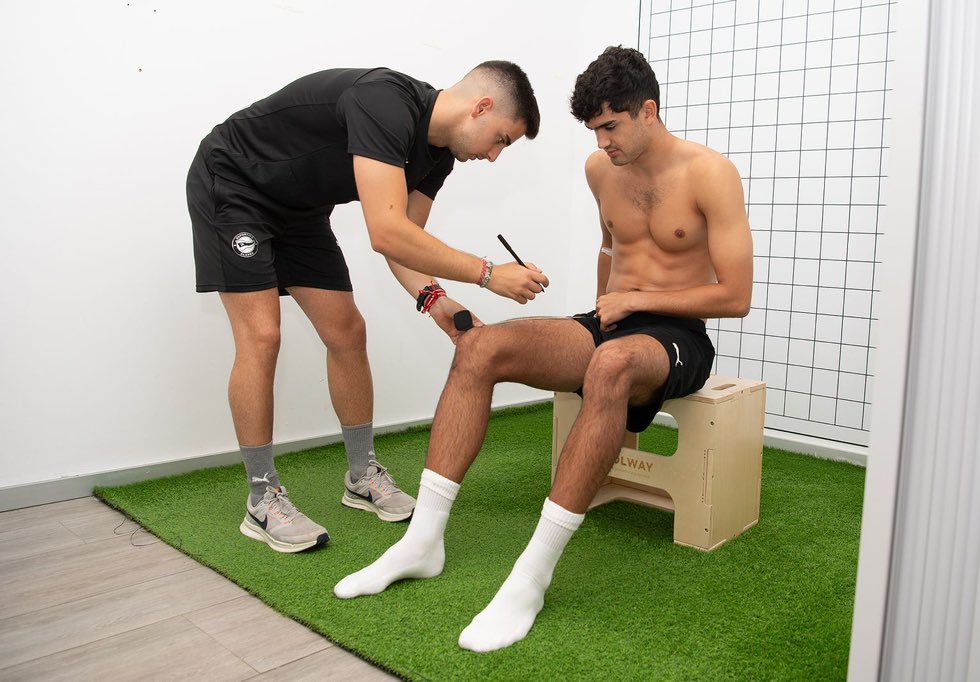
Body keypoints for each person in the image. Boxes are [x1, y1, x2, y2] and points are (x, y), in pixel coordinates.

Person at [332, 45, 754, 651]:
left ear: (648, 111)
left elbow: (735, 294)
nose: (601, 143)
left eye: (610, 126)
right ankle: (421, 542)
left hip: (680, 336)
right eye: (593, 130)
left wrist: (633, 307)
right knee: (480, 347)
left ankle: (530, 578)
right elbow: (611, 251)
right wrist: (607, 307)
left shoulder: (710, 173)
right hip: (615, 323)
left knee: (610, 364)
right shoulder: (599, 169)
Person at [185, 62, 549, 554]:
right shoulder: (385, 102)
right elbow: (385, 229)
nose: (494, 155)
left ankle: (361, 476)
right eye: (501, 139)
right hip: (234, 182)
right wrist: (488, 273)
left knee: (347, 331)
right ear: (480, 108)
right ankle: (261, 496)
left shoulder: (436, 158)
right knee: (263, 335)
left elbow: (405, 244)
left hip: (299, 210)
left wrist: (438, 303)